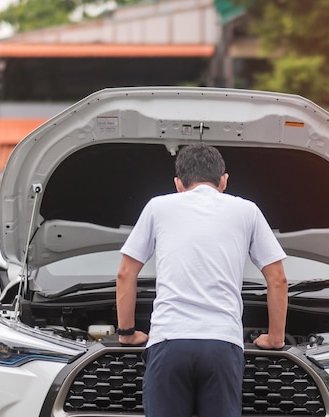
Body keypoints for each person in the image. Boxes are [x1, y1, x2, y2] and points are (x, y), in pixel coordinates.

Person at [115, 143, 288, 417]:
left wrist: (127, 333)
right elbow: (277, 279)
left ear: (178, 184)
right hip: (222, 344)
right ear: (223, 181)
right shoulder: (248, 211)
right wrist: (275, 338)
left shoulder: (158, 207)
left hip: (169, 341)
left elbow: (125, 274)